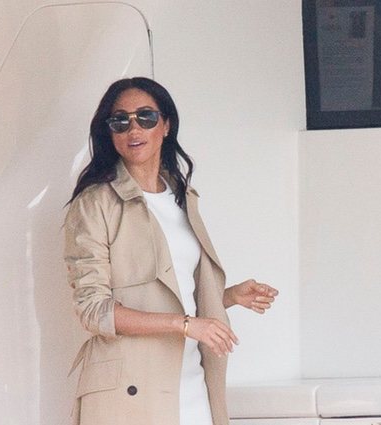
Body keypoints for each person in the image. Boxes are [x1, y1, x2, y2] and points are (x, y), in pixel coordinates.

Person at [63, 77, 278, 425]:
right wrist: (186, 324)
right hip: (129, 388)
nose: (134, 128)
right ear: (110, 133)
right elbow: (93, 311)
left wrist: (227, 296)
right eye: (120, 120)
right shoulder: (94, 204)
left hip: (190, 380)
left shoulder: (181, 198)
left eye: (145, 117)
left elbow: (171, 294)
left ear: (166, 125)